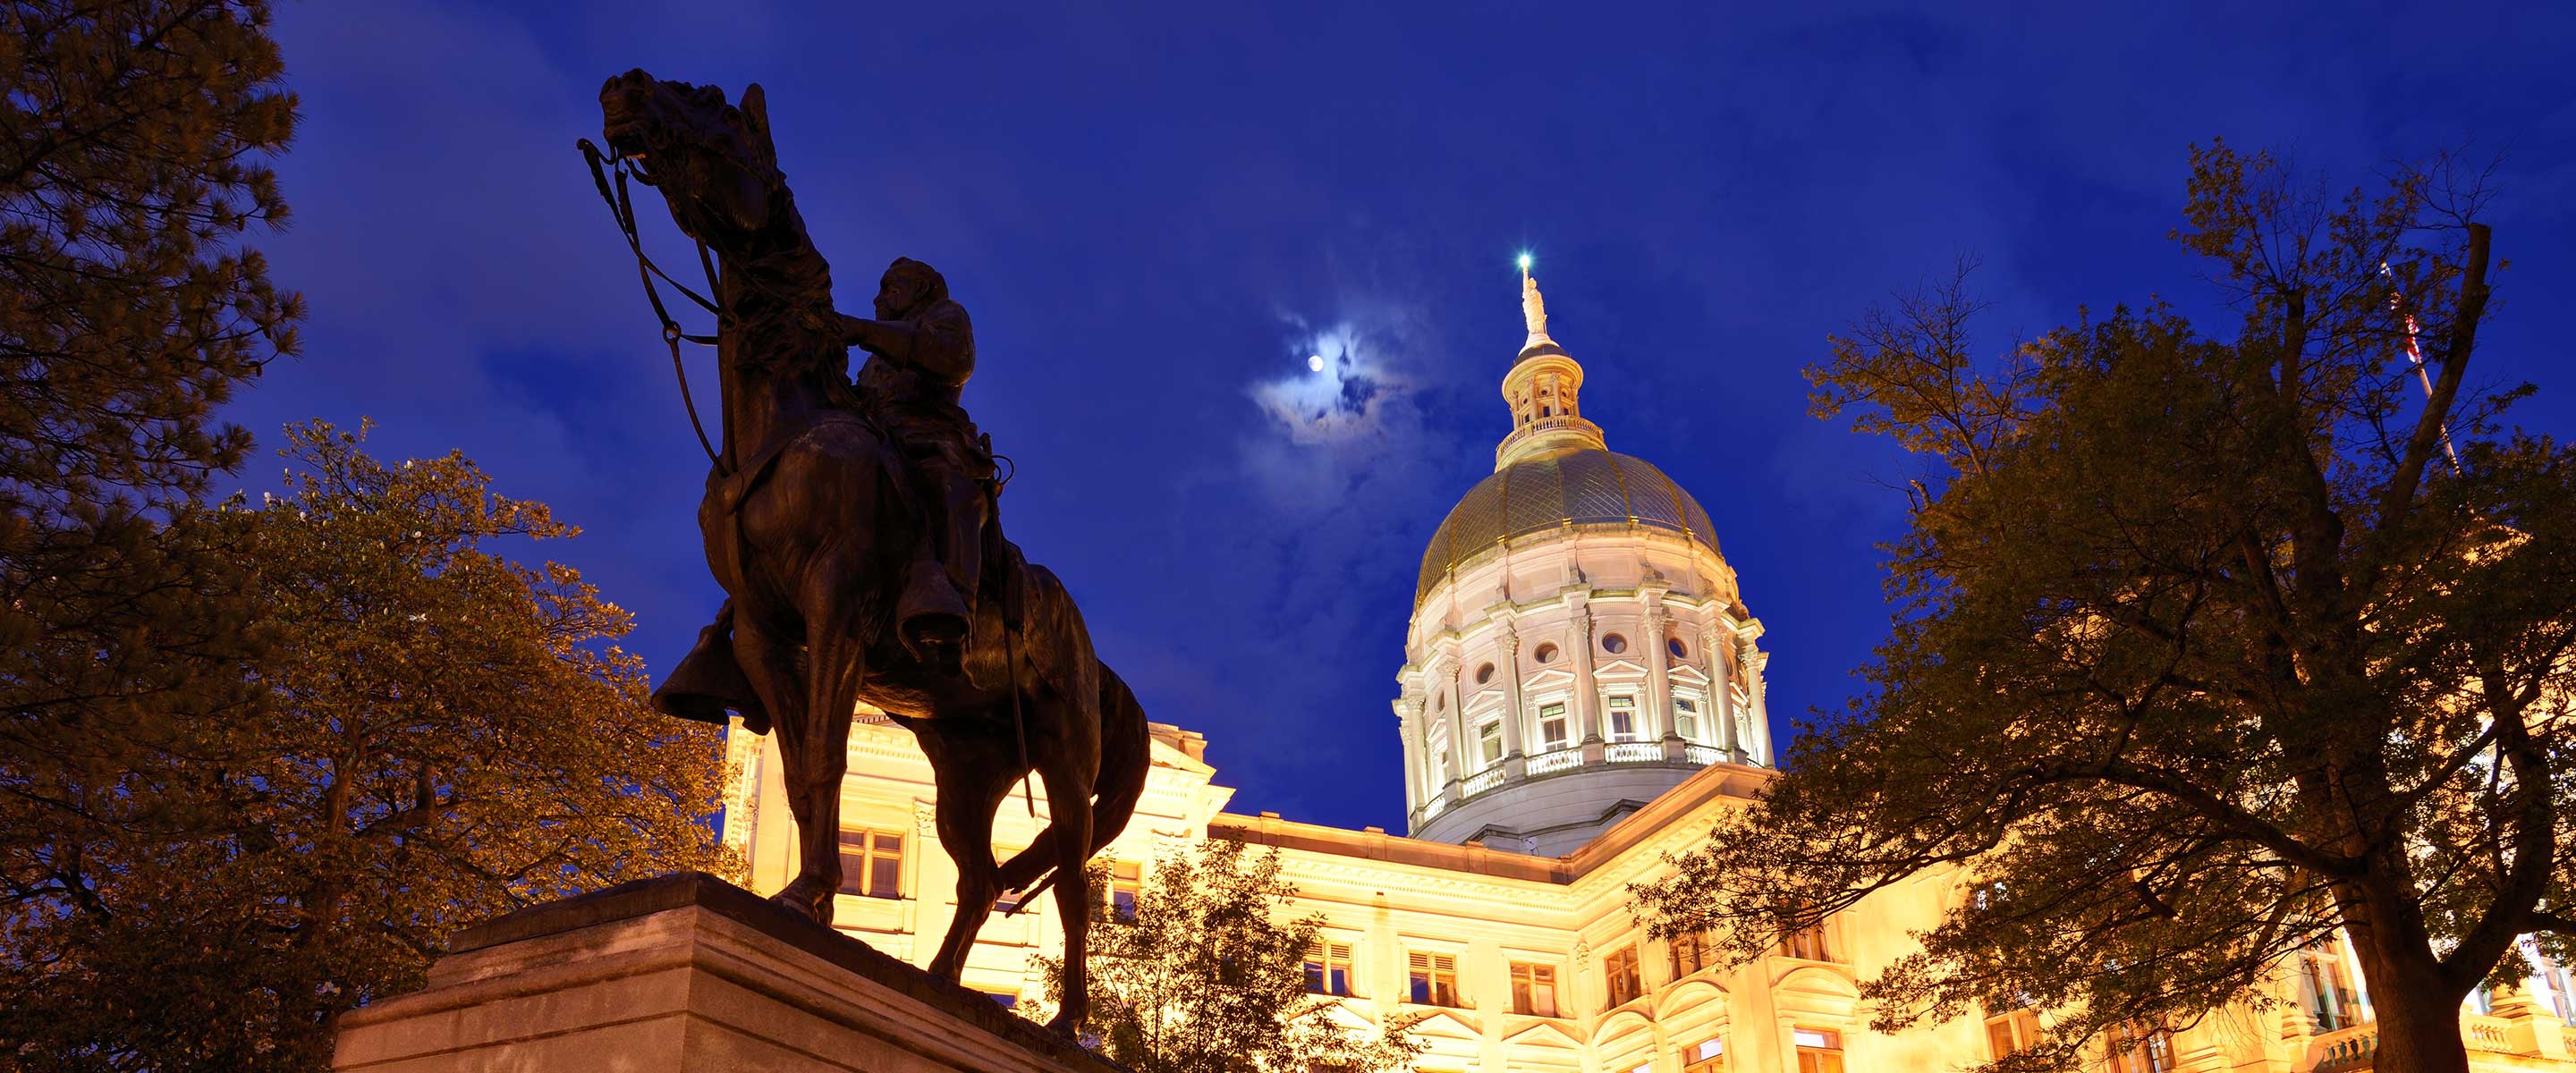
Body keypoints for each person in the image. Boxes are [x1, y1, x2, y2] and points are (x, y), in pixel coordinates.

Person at [838, 257, 991, 676]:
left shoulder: (945, 316)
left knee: (951, 489)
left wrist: (860, 330)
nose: (878, 297)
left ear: (921, 290)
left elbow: (950, 359)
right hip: (875, 439)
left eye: (890, 287)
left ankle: (956, 615)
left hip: (927, 436)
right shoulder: (877, 356)